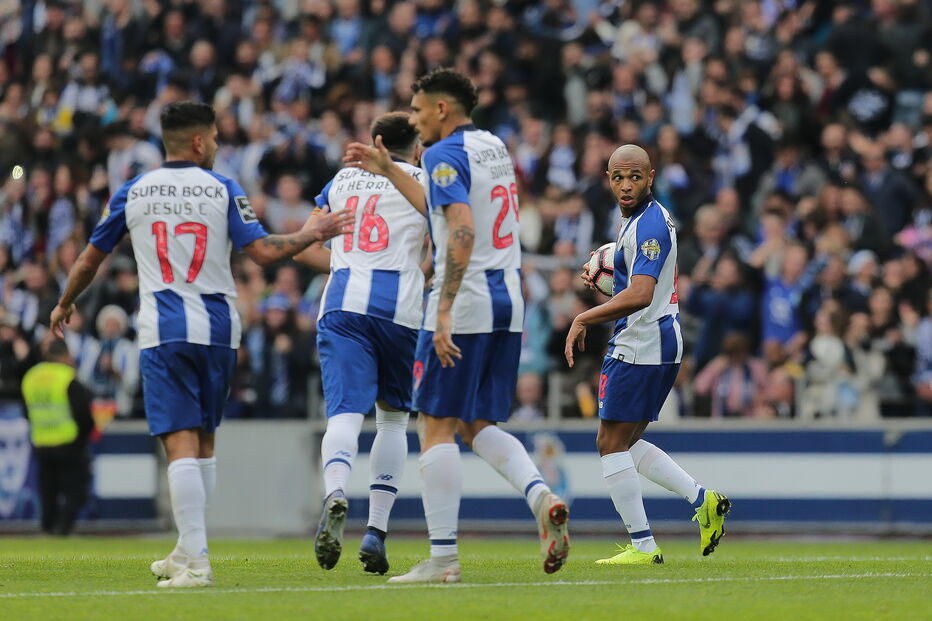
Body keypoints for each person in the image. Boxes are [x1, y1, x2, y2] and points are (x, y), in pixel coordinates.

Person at [50, 101, 354, 588]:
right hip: (218, 329)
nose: (216, 145)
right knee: (204, 444)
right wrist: (308, 233)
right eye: (213, 138)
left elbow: (90, 258)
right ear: (197, 141)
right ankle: (186, 548)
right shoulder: (223, 188)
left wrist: (65, 302)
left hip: (164, 330)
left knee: (180, 445)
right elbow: (262, 251)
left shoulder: (134, 190)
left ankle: (198, 561)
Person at [345, 68, 570, 583]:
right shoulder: (493, 146)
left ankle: (443, 560)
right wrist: (389, 170)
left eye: (419, 110)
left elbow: (461, 229)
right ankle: (543, 498)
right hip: (508, 299)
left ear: (441, 109)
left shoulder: (444, 154)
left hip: (466, 302)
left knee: (435, 424)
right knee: (476, 425)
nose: (416, 120)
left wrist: (442, 310)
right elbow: (443, 212)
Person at [565, 144, 730, 565]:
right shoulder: (639, 221)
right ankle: (703, 499)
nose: (625, 185)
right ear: (607, 178)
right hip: (657, 337)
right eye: (618, 177)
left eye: (634, 176)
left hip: (642, 341)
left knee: (609, 443)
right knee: (624, 440)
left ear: (651, 176)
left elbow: (639, 295)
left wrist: (585, 317)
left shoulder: (649, 225)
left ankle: (643, 545)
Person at [297, 112, 428, 575]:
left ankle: (335, 491)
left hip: (344, 304)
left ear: (375, 141)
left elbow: (309, 241)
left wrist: (346, 260)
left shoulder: (341, 180)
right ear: (417, 147)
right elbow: (436, 252)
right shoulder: (423, 181)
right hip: (402, 311)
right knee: (393, 422)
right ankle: (375, 532)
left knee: (345, 413)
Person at [20, 338, 94, 535]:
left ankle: (48, 526)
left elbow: (27, 411)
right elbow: (83, 414)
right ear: (64, 355)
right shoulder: (67, 376)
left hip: (41, 442)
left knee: (48, 490)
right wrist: (83, 435)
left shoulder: (31, 377)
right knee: (74, 489)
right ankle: (64, 528)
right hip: (68, 442)